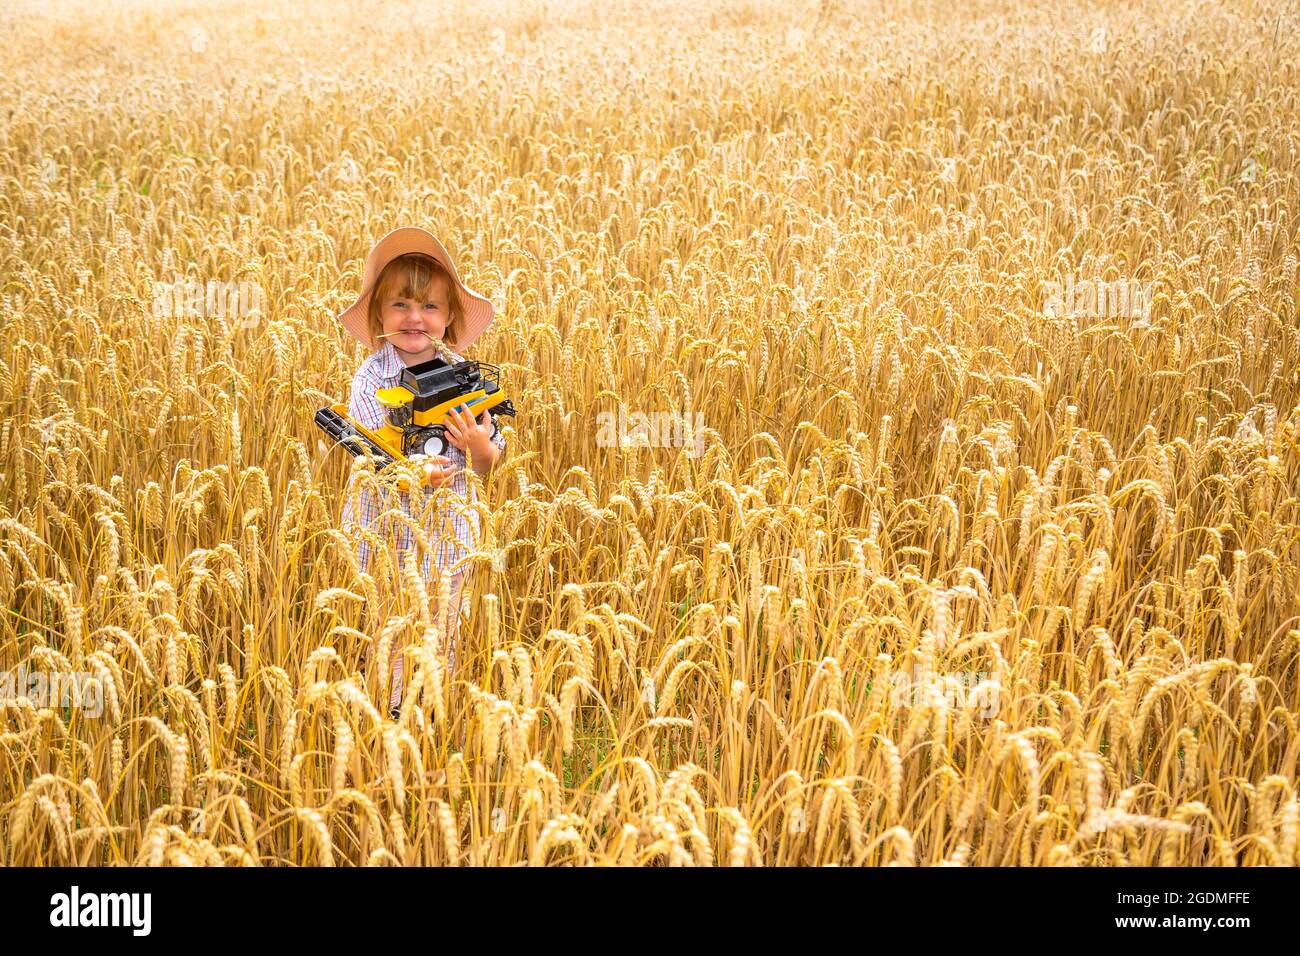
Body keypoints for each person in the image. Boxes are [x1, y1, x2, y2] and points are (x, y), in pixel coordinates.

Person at [334, 227, 507, 718]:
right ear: (379, 316)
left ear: (450, 316)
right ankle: (390, 711)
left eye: (430, 307)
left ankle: (429, 709)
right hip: (385, 527)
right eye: (401, 306)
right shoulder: (372, 377)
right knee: (388, 620)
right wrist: (409, 471)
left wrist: (476, 446)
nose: (415, 318)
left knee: (443, 623)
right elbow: (366, 450)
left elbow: (489, 463)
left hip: (448, 531)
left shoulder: (468, 378)